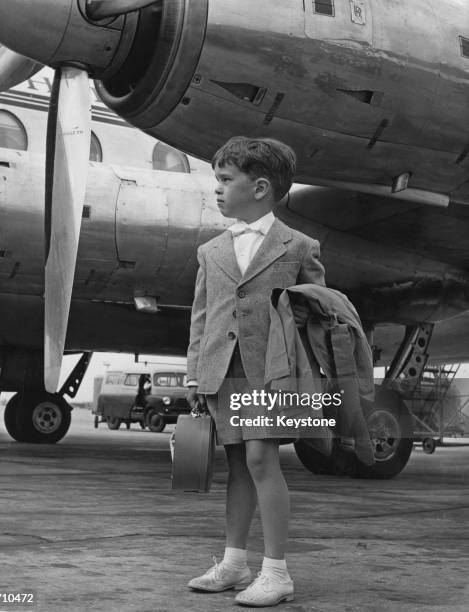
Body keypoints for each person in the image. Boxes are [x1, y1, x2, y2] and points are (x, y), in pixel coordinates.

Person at [186, 136, 325, 607]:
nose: (218, 190)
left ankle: (277, 571)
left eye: (226, 180)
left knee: (262, 460)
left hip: (272, 374)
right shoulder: (210, 251)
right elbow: (201, 317)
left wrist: (307, 376)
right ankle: (233, 562)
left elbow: (318, 317)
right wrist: (193, 374)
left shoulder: (300, 247)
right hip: (223, 371)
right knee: (238, 467)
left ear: (260, 187)